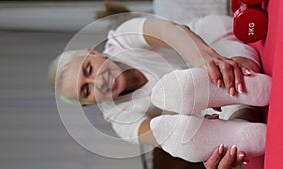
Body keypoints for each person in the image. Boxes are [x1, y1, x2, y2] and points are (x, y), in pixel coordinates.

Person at [48, 14, 268, 168]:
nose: (98, 82)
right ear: (88, 104)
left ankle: (242, 78)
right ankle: (243, 124)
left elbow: (168, 31)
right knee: (193, 134)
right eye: (86, 90)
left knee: (228, 51)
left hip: (210, 46)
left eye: (89, 69)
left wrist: (203, 59)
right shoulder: (120, 121)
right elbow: (163, 136)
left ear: (93, 53)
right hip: (208, 103)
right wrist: (205, 141)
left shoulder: (121, 39)